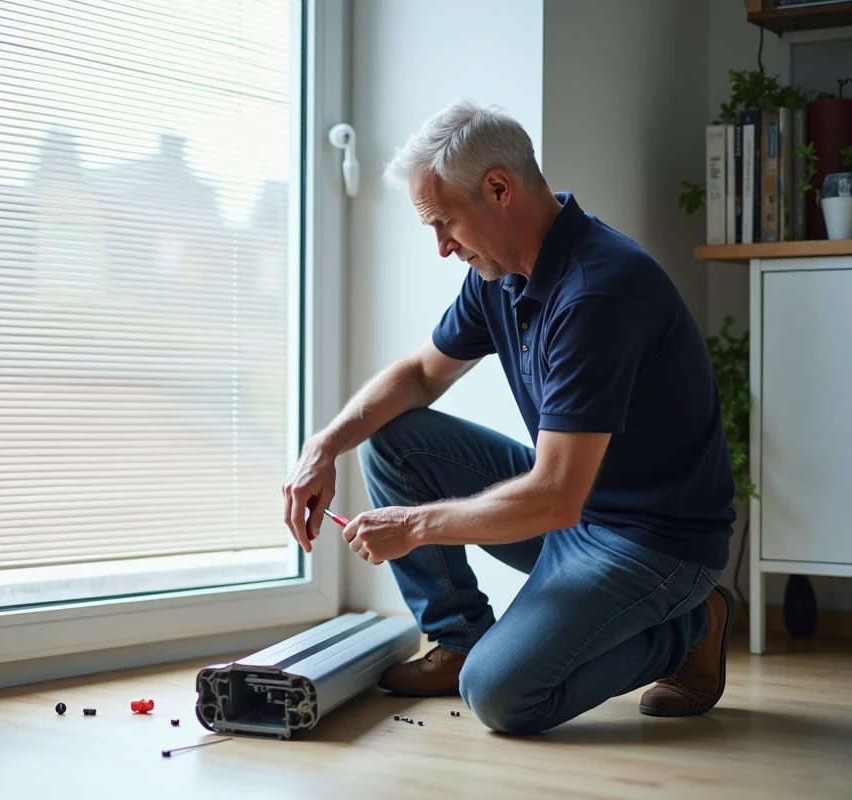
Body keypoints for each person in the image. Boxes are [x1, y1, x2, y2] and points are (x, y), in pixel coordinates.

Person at [281, 100, 738, 734]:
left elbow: (554, 497)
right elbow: (419, 376)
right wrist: (323, 446)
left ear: (499, 189)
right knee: (392, 441)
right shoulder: (498, 275)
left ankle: (692, 625)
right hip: (576, 509)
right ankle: (460, 638)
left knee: (499, 695)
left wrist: (415, 526)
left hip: (653, 542)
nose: (442, 247)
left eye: (445, 222)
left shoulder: (599, 293)